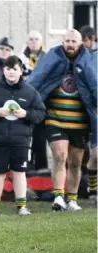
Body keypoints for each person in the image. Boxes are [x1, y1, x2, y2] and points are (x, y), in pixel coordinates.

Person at [27, 29, 97, 211]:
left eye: (74, 41)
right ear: (62, 42)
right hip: (55, 118)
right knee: (60, 155)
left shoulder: (89, 61)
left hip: (80, 122)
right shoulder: (52, 58)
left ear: (80, 43)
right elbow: (37, 80)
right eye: (67, 41)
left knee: (75, 163)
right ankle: (58, 196)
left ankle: (72, 199)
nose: (70, 45)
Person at [0, 55, 46, 217]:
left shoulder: (30, 92)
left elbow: (41, 113)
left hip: (21, 140)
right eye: (8, 69)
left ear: (21, 71)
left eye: (14, 69)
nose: (11, 72)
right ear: (3, 70)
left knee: (19, 172)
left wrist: (26, 114)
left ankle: (21, 207)